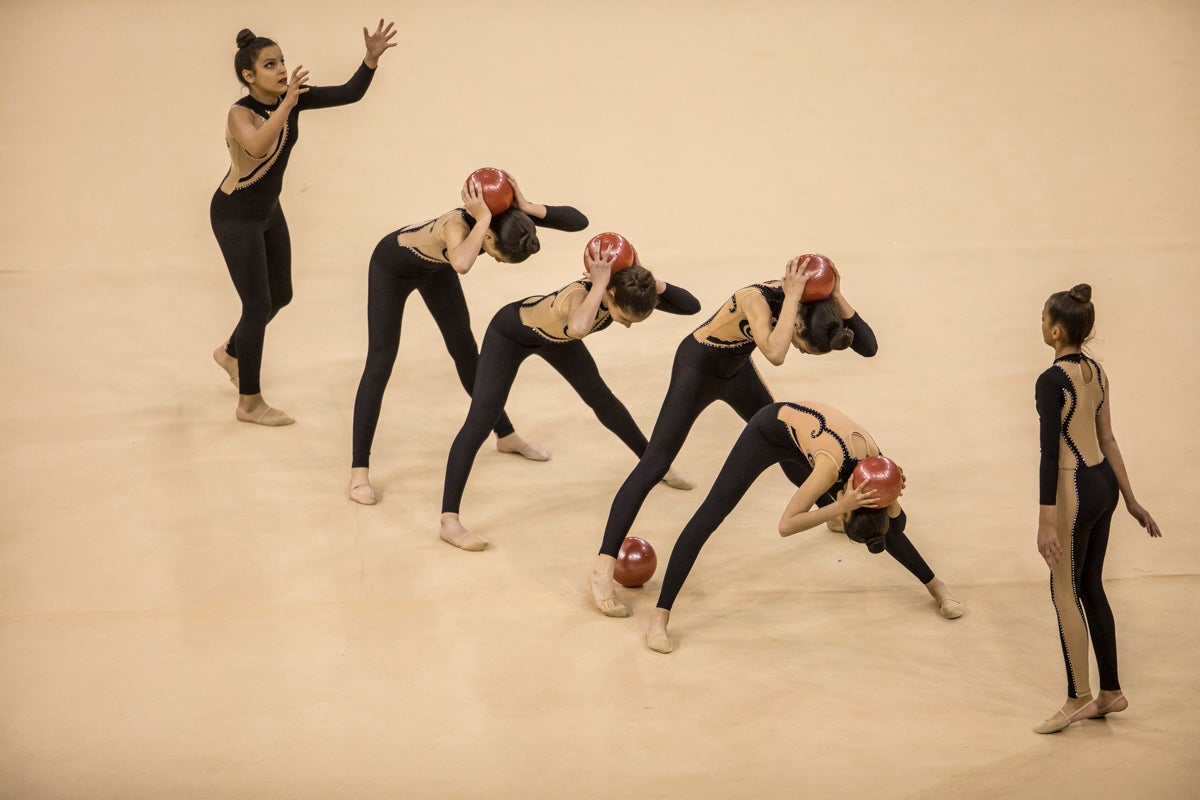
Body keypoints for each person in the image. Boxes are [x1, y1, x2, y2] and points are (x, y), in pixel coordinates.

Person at [588, 257, 877, 616]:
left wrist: (837, 292)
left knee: (784, 441)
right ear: (797, 321)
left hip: (737, 369)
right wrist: (790, 299)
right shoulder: (757, 299)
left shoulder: (813, 304)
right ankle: (602, 567)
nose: (800, 348)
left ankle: (828, 510)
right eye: (803, 345)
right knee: (655, 463)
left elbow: (869, 347)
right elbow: (775, 353)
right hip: (698, 366)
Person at [644, 401, 963, 654]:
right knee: (711, 514)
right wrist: (839, 507)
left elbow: (897, 523)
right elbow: (786, 525)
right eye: (846, 513)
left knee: (884, 526)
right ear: (847, 510)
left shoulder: (880, 472)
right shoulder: (829, 470)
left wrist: (893, 495)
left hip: (807, 442)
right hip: (768, 432)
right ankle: (660, 616)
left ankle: (938, 588)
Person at [439, 244, 702, 551]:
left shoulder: (624, 293)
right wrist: (600, 282)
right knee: (481, 419)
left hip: (555, 338)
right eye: (623, 317)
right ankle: (449, 521)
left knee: (602, 398)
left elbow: (691, 306)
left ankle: (655, 464)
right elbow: (577, 328)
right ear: (611, 295)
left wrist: (645, 279)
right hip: (510, 335)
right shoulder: (582, 297)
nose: (627, 325)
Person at [348, 175, 587, 505]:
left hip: (436, 268)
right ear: (486, 234)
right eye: (499, 256)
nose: (499, 262)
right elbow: (461, 262)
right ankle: (359, 470)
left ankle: (505, 436)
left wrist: (527, 206)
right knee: (380, 362)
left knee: (465, 351)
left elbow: (579, 222)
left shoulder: (505, 223)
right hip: (392, 268)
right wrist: (484, 217)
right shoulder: (457, 226)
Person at [210, 21, 397, 426]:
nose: (281, 70)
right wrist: (287, 105)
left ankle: (230, 352)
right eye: (270, 64)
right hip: (235, 216)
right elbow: (257, 145)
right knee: (257, 305)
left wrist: (370, 60)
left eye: (282, 61)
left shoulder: (290, 99)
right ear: (248, 76)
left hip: (268, 212)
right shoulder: (240, 112)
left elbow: (351, 93)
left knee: (282, 294)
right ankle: (249, 402)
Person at [1032, 284, 1161, 734]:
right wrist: (1129, 498)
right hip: (1103, 482)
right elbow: (1107, 438)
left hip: (1074, 489)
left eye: (1043, 317)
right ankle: (1111, 691)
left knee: (1063, 590)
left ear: (1056, 330)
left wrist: (1047, 519)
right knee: (1091, 584)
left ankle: (1078, 698)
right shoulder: (1096, 371)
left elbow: (1051, 453)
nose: (1040, 322)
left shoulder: (1051, 381)